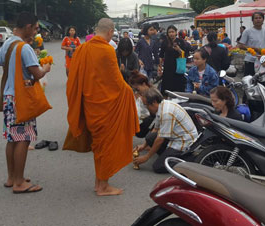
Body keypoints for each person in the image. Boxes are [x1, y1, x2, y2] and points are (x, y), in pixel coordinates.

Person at [64, 18, 139, 196]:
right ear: (111, 31)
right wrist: (130, 93)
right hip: (106, 108)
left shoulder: (82, 49)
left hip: (90, 106)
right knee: (106, 146)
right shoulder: (106, 50)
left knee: (99, 147)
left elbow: (74, 79)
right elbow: (117, 82)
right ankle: (104, 187)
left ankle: (99, 183)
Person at [0, 12, 51, 194]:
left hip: (9, 97)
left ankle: (12, 177)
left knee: (12, 138)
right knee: (24, 139)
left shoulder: (9, 43)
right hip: (21, 98)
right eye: (35, 28)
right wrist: (46, 68)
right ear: (28, 26)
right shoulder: (24, 48)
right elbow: (37, 73)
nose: (35, 32)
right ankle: (19, 182)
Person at [133, 88, 197, 173]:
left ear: (154, 102)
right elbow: (156, 129)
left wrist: (146, 157)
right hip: (174, 136)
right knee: (150, 138)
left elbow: (160, 139)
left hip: (183, 141)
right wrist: (143, 145)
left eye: (146, 105)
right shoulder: (162, 105)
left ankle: (191, 159)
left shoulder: (166, 113)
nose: (146, 108)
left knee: (158, 167)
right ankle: (168, 155)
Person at [238, 12, 265, 76]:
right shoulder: (247, 31)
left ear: (263, 20)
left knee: (262, 82)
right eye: (256, 18)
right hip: (250, 61)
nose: (258, 20)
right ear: (252, 20)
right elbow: (240, 45)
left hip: (263, 61)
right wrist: (255, 49)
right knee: (250, 82)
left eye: (260, 18)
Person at [158, 25, 188, 92]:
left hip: (178, 66)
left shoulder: (180, 41)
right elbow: (161, 55)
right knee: (167, 86)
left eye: (172, 32)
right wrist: (159, 66)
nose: (171, 34)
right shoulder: (165, 42)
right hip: (168, 67)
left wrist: (178, 49)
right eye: (169, 32)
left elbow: (184, 54)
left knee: (178, 86)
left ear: (176, 32)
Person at [129, 72, 156, 138]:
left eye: (137, 89)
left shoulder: (151, 94)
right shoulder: (142, 94)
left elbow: (156, 113)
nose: (137, 92)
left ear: (144, 84)